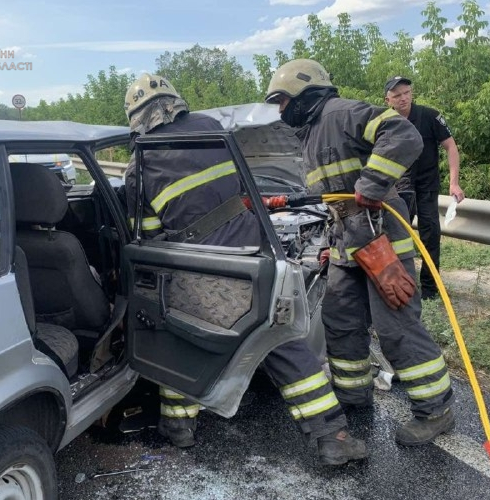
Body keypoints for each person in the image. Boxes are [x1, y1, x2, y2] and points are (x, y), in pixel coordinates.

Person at [123, 73, 367, 466]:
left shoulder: (139, 163)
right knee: (280, 341)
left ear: (137, 118)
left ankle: (179, 427)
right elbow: (242, 187)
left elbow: (150, 239)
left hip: (195, 269)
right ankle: (331, 436)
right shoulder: (210, 128)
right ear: (175, 101)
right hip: (251, 259)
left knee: (179, 339)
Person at [265, 59, 455, 446]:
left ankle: (436, 409)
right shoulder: (310, 133)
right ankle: (353, 395)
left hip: (380, 239)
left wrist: (372, 181)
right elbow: (330, 197)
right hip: (345, 240)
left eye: (282, 101)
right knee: (340, 319)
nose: (281, 110)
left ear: (304, 92)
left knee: (395, 326)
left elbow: (404, 135)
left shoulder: (343, 112)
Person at [384, 76, 464, 300]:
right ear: (388, 99)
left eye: (407, 93)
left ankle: (430, 289)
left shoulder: (429, 115)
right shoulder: (384, 121)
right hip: (398, 188)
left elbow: (451, 147)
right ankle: (398, 285)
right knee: (396, 237)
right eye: (397, 95)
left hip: (427, 186)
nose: (403, 98)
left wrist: (454, 182)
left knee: (430, 236)